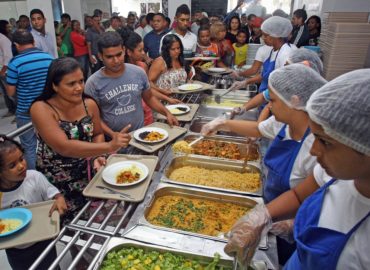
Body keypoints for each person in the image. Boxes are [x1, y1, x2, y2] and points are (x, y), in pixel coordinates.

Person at [225, 68, 370, 269]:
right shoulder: (337, 174)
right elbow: (298, 196)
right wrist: (262, 217)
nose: (313, 150)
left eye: (326, 142)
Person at [30, 57, 130, 224]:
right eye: (71, 84)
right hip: (58, 179)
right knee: (70, 224)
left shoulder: (88, 104)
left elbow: (97, 133)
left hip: (88, 171)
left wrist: (99, 155)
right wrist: (108, 146)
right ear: (54, 85)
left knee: (96, 217)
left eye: (81, 81)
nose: (79, 88)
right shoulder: (41, 108)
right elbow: (64, 147)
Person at [84, 32, 178, 140]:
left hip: (141, 136)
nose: (116, 61)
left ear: (124, 50)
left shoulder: (138, 72)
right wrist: (112, 134)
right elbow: (94, 118)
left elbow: (149, 98)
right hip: (113, 141)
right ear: (100, 56)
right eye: (109, 57)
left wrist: (167, 113)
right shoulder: (93, 83)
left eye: (119, 55)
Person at [0, 135, 67, 269]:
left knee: (52, 267)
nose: (21, 166)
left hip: (43, 240)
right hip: (15, 248)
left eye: (21, 159)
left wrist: (60, 199)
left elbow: (55, 195)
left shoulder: (34, 178)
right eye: (12, 165)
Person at [6, 30, 53, 170]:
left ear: (16, 45)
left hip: (26, 112)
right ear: (33, 41)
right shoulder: (48, 58)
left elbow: (10, 91)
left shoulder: (15, 63)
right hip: (48, 109)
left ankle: (35, 178)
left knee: (29, 147)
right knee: (50, 142)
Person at [232, 48, 323, 119]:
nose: (285, 70)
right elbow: (264, 96)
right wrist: (243, 108)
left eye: (288, 67)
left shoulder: (316, 99)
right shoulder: (287, 84)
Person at [123, 32, 181, 125]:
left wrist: (167, 98)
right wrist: (166, 97)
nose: (143, 53)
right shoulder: (123, 72)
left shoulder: (142, 66)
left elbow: (148, 90)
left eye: (143, 49)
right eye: (140, 50)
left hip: (147, 108)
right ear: (129, 52)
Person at [231, 16, 295, 95]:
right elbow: (264, 75)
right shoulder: (274, 50)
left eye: (265, 35)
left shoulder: (285, 54)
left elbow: (283, 85)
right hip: (265, 93)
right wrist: (245, 82)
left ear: (275, 36)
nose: (263, 38)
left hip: (272, 96)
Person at [0, 20, 15, 118]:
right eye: (7, 27)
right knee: (5, 93)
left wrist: (3, 71)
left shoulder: (3, 39)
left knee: (12, 93)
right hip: (2, 70)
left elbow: (8, 56)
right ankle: (11, 110)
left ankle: (18, 113)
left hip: (6, 71)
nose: (9, 29)